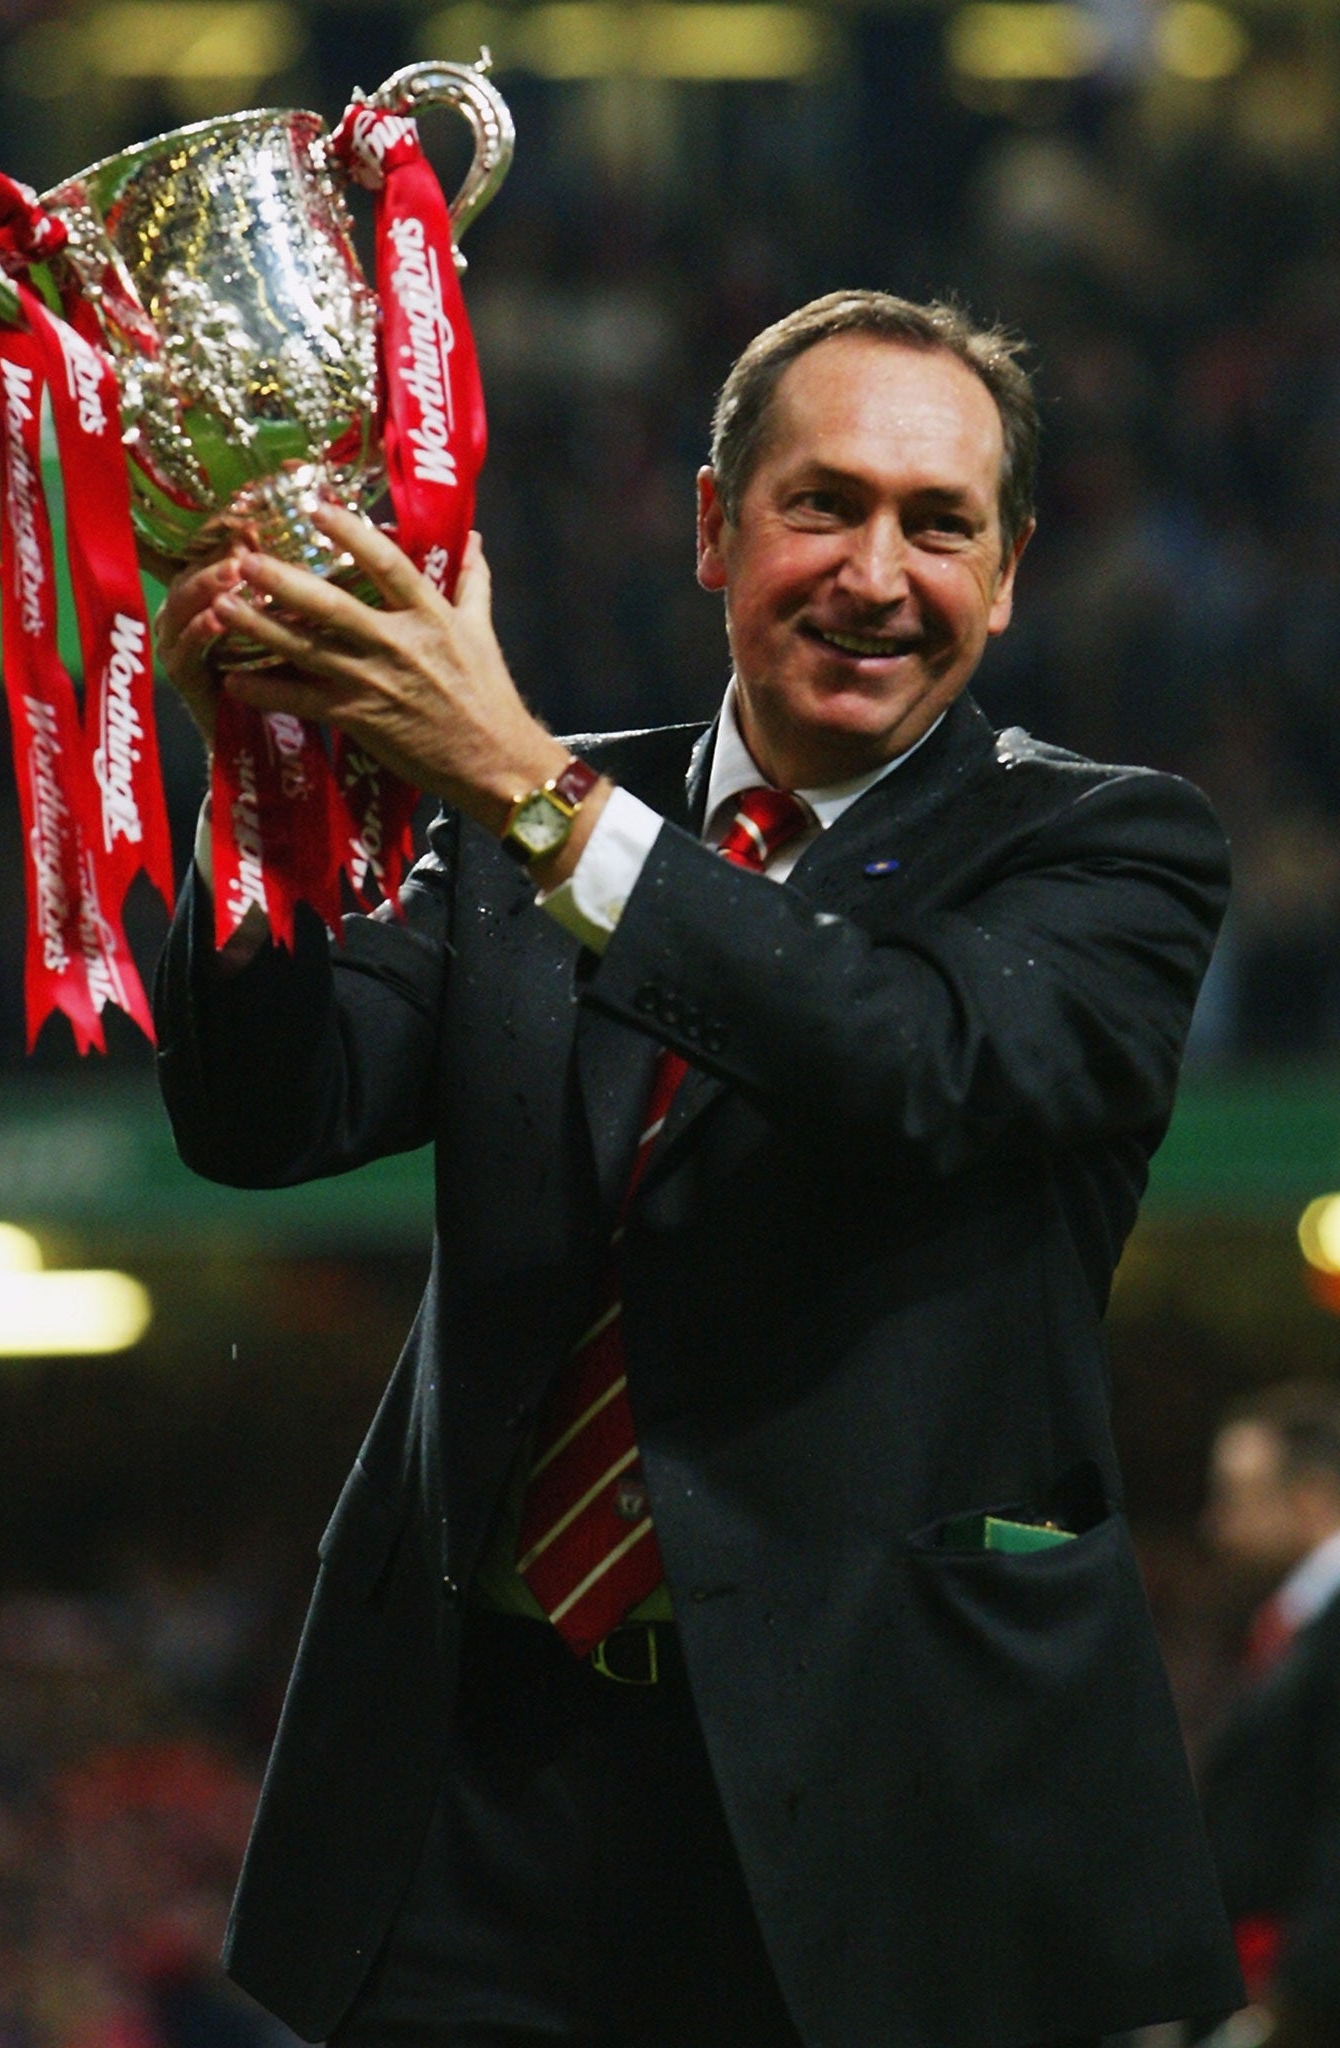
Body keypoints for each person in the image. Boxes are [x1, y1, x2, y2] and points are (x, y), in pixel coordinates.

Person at [151, 290, 1245, 2048]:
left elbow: (908, 1059)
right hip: (483, 1791)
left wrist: (528, 791)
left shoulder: (1110, 847)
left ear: (1010, 572)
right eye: (823, 504)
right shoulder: (537, 814)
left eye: (939, 524)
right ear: (713, 525)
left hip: (884, 1806)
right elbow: (271, 1115)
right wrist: (260, 789)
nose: (875, 574)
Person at [1198, 1383, 1340, 2047]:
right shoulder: (1297, 1622)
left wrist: (1299, 1993)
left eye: (1236, 1496)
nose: (1215, 1523)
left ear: (1309, 1499)